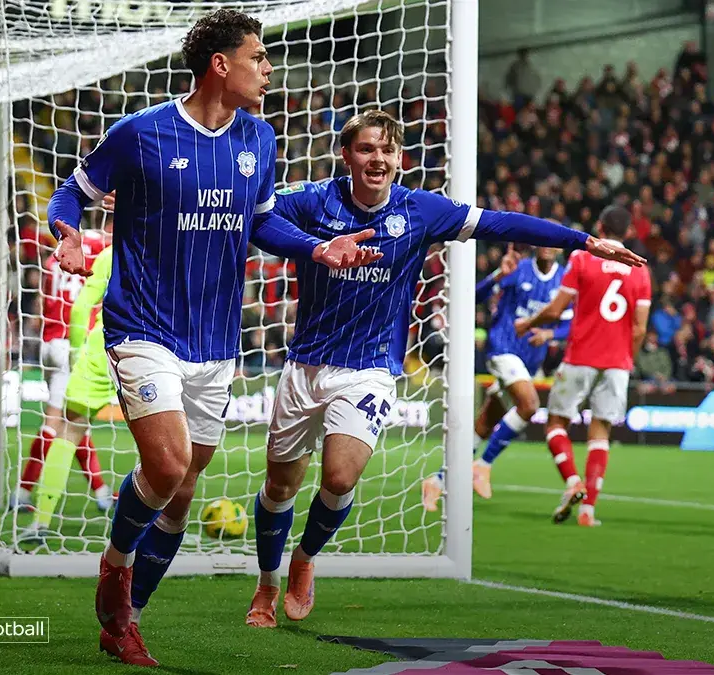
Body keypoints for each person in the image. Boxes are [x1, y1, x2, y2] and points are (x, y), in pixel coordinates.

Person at [45, 9, 379, 666]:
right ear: (220, 65)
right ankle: (115, 570)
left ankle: (125, 619)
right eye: (258, 56)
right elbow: (69, 195)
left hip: (215, 337)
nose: (268, 68)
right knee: (166, 465)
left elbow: (262, 225)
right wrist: (69, 236)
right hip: (144, 324)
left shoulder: (260, 136)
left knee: (185, 483)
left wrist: (317, 249)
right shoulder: (140, 134)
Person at [244, 109, 645, 628]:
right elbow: (255, 219)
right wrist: (317, 249)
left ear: (400, 160)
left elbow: (500, 222)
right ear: (346, 155)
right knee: (279, 488)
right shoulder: (313, 200)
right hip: (305, 365)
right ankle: (266, 584)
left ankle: (303, 561)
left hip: (369, 367)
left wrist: (583, 241)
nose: (378, 159)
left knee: (340, 477)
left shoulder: (420, 210)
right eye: (367, 149)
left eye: (387, 151)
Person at [514, 205, 652, 527]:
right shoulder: (640, 269)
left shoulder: (583, 258)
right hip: (618, 363)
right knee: (600, 431)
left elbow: (555, 310)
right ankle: (588, 511)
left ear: (600, 226)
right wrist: (626, 359)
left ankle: (572, 481)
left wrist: (527, 324)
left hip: (581, 356)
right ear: (628, 232)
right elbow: (640, 328)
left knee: (555, 424)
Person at [421, 244, 569, 510]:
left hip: (530, 360)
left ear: (558, 247)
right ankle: (483, 464)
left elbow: (570, 323)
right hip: (503, 348)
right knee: (530, 405)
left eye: (552, 242)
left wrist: (550, 335)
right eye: (542, 241)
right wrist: (498, 275)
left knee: (486, 422)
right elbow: (473, 296)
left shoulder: (564, 279)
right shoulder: (518, 269)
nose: (547, 247)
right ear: (534, 245)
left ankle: (437, 481)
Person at [21, 239, 117, 542]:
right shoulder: (105, 247)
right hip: (100, 344)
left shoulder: (60, 251)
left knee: (70, 427)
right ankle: (24, 489)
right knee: (60, 423)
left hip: (57, 342)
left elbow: (50, 296)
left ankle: (45, 512)